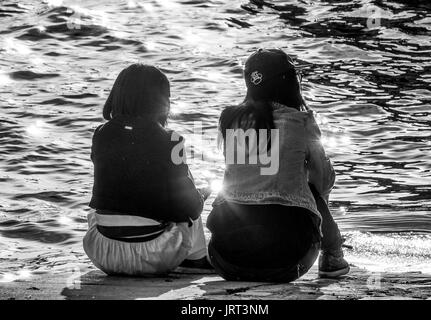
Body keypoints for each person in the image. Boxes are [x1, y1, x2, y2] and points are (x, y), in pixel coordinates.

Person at [206, 48, 349, 282]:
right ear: (290, 82)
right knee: (312, 188)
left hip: (225, 260)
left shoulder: (230, 120)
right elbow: (324, 181)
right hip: (288, 261)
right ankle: (332, 255)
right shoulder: (301, 122)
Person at [83, 63, 211, 276]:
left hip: (102, 253)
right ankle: (197, 260)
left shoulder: (101, 134)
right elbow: (190, 209)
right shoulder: (172, 140)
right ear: (160, 102)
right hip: (154, 256)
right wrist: (202, 195)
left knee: (98, 211)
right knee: (189, 194)